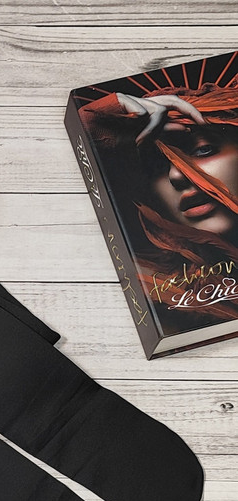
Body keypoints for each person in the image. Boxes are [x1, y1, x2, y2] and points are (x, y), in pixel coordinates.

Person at [79, 82, 238, 328]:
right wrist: (94, 126)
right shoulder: (165, 303)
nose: (177, 175)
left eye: (203, 150)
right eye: (155, 165)